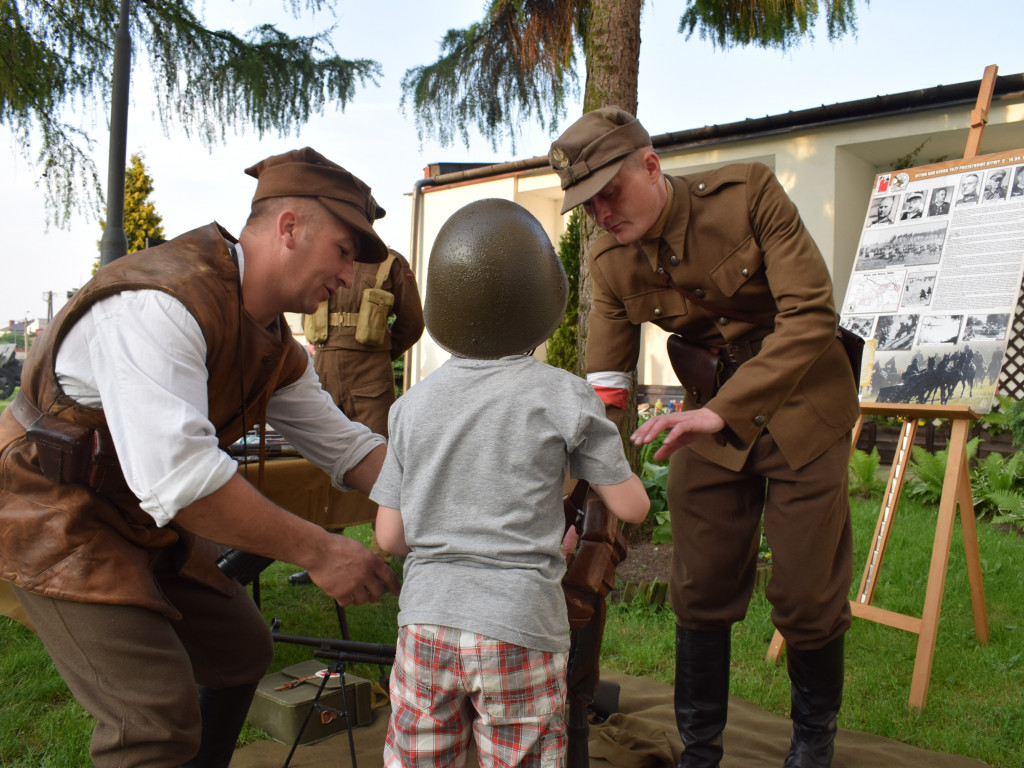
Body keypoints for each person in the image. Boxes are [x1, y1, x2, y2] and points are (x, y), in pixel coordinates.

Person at [0, 147, 402, 768]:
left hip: (139, 517)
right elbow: (182, 477)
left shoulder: (272, 343)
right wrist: (320, 550)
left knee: (239, 651)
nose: (349, 277)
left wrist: (442, 500)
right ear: (289, 227)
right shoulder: (162, 301)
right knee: (153, 719)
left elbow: (347, 447)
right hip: (51, 515)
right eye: (344, 252)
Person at [548, 107, 859, 768]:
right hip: (707, 417)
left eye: (610, 191)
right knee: (699, 581)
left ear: (651, 166)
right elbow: (607, 389)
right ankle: (700, 749)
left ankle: (812, 741)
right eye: (587, 203)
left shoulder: (747, 196)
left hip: (804, 399)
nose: (601, 213)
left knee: (805, 592)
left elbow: (813, 316)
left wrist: (720, 411)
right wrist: (583, 497)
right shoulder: (607, 260)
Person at [371, 198, 649, 768]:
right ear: (540, 304)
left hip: (426, 624)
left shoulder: (411, 407)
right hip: (521, 627)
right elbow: (633, 506)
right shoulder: (564, 396)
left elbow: (389, 538)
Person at [287, 241, 423, 583]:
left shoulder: (391, 263)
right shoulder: (325, 254)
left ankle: (381, 554)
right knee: (322, 463)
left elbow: (413, 321)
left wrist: (380, 350)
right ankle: (327, 551)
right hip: (324, 370)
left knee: (384, 465)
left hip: (369, 375)